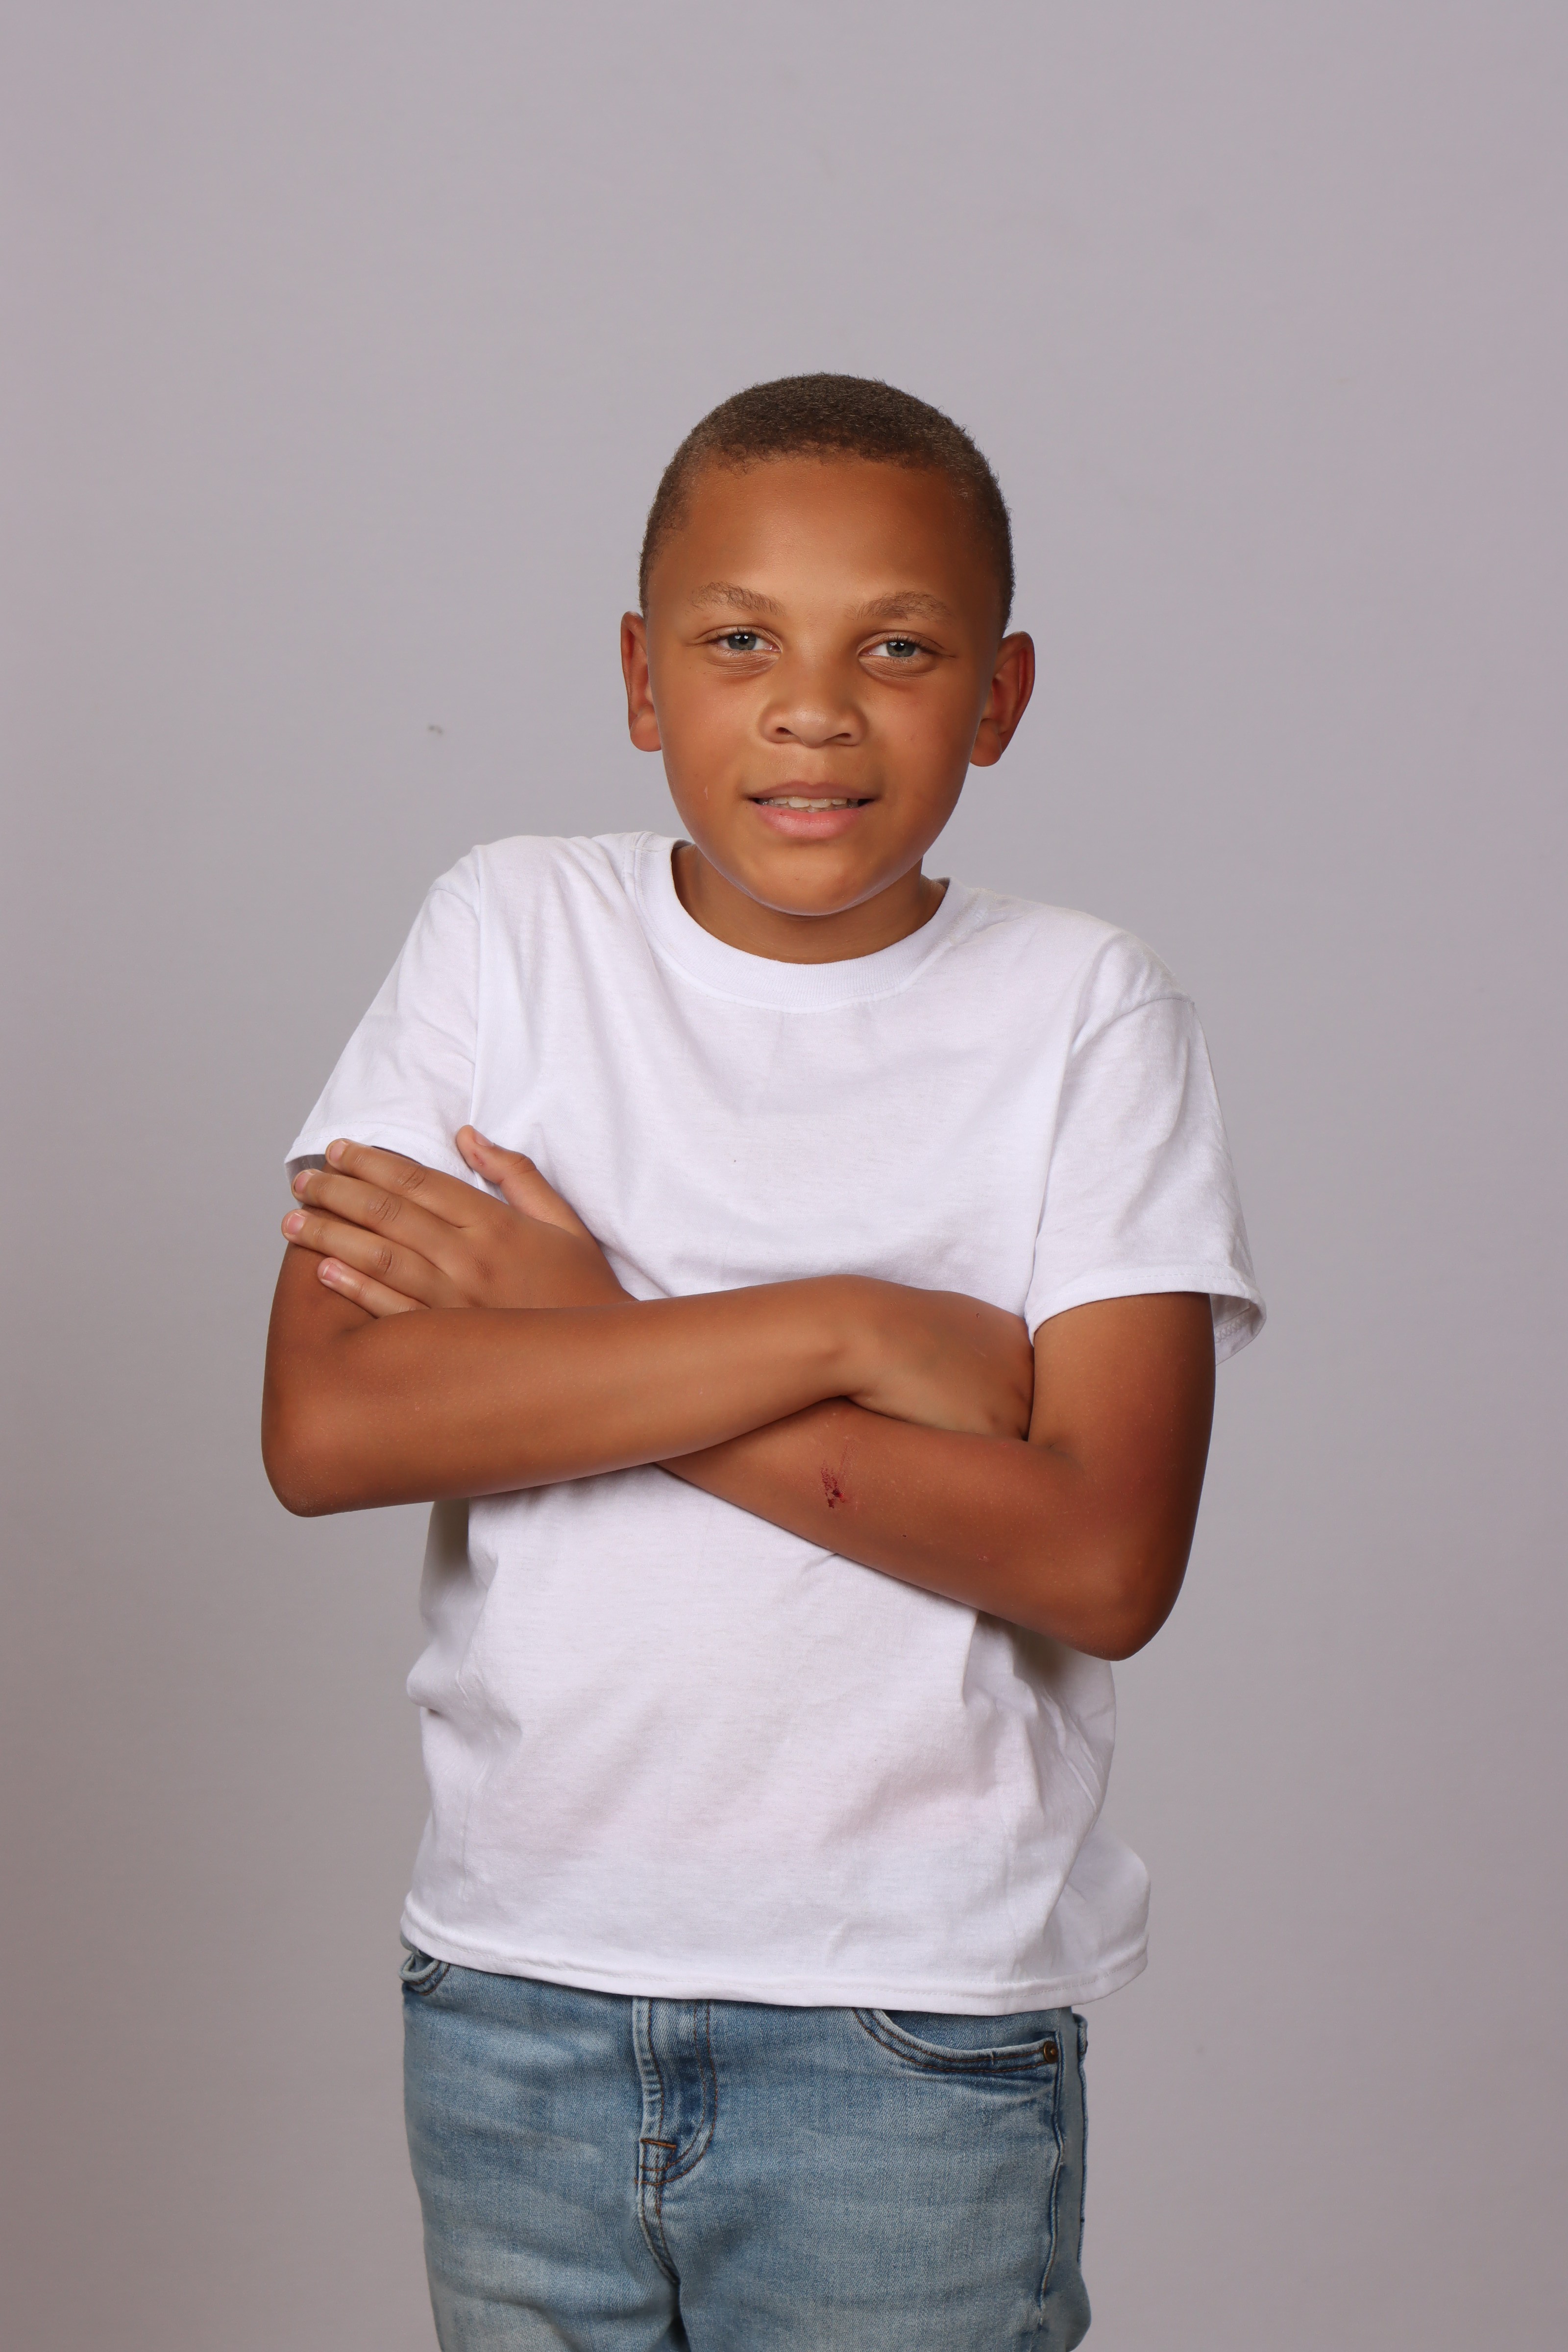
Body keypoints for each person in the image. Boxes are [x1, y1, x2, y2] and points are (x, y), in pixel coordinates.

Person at [263, 373, 1262, 2350]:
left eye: (898, 649)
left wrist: (578, 1337)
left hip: (906, 2021)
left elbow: (1096, 1560)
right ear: (642, 679)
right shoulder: (510, 936)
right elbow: (332, 1424)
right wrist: (850, 1330)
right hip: (515, 1990)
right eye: (739, 643)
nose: (813, 710)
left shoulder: (1083, 1012)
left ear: (999, 695)